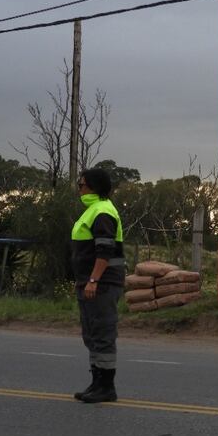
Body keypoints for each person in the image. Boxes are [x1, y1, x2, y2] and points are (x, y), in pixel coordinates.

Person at [71, 167, 126, 403]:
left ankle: (106, 387)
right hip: (89, 283)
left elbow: (105, 251)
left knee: (103, 333)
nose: (79, 189)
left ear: (93, 187)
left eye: (81, 185)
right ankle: (96, 382)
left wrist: (93, 280)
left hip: (102, 283)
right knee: (91, 333)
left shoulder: (102, 211)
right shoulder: (92, 210)